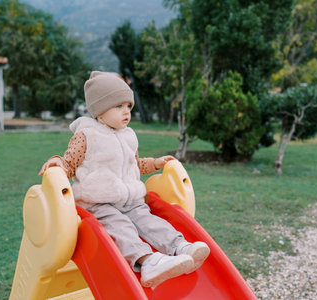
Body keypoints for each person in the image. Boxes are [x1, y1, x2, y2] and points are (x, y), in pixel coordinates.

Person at [39, 71, 210, 288]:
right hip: (99, 204)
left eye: (128, 106)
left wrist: (155, 163)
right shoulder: (86, 135)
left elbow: (135, 164)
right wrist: (57, 163)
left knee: (152, 222)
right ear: (99, 110)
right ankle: (148, 262)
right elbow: (70, 163)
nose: (126, 112)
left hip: (131, 201)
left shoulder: (128, 135)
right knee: (121, 227)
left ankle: (180, 247)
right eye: (118, 107)